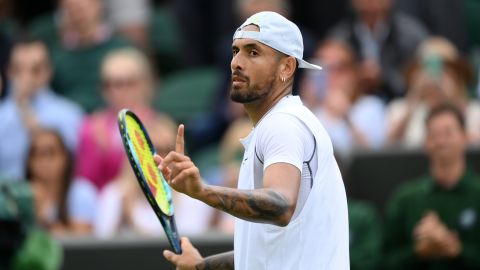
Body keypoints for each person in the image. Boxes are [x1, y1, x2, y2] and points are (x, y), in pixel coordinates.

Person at [155, 11, 349, 270]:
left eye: (253, 52)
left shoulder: (284, 124)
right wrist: (202, 265)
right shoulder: (281, 122)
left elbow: (281, 205)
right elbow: (263, 252)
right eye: (236, 51)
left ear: (287, 67)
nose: (236, 62)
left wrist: (203, 191)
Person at [383, 103, 480, 269]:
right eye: (433, 134)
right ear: (425, 142)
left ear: (464, 137)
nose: (441, 141)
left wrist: (455, 248)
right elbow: (384, 261)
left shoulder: (476, 193)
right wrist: (419, 251)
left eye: (448, 133)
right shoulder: (406, 198)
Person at [74, 48, 168, 191]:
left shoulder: (161, 126)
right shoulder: (91, 127)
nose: (117, 91)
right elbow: (86, 182)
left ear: (144, 84)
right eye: (110, 84)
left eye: (127, 83)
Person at [0, 37, 83, 180]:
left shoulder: (70, 115)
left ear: (49, 71)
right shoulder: (1, 115)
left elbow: (71, 168)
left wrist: (25, 110)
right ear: (8, 72)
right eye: (18, 69)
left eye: (35, 70)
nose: (27, 77)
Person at [386, 37, 480, 147]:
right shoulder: (399, 108)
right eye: (427, 68)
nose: (435, 76)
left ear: (457, 78)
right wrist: (414, 99)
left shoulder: (475, 111)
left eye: (445, 70)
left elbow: (474, 142)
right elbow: (388, 144)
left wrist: (451, 97)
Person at [328, 0, 428, 102]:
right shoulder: (339, 38)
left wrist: (384, 77)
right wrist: (356, 78)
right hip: (350, 104)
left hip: (401, 103)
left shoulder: (411, 36)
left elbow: (418, 80)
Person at [26, 128, 97, 235]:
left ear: (65, 157)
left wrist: (45, 216)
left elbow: (82, 241)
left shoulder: (81, 192)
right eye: (36, 154)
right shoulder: (22, 193)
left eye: (51, 153)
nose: (44, 161)